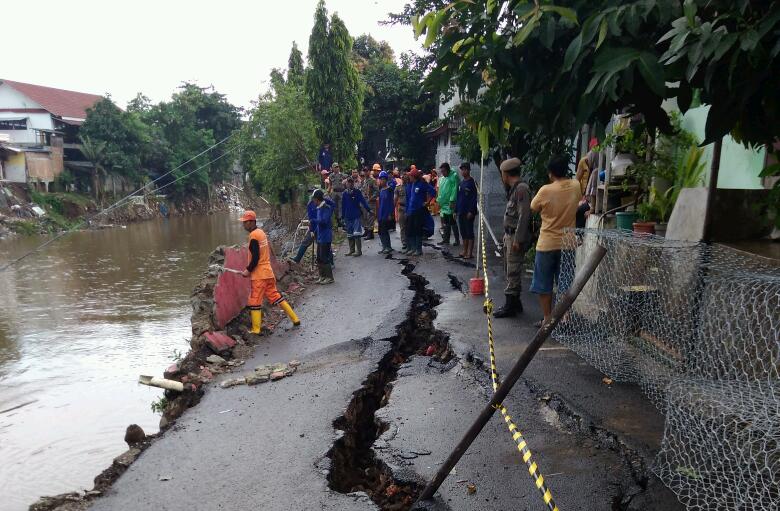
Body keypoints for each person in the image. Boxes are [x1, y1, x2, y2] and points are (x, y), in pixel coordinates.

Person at [530, 155, 581, 326]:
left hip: (547, 243)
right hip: (568, 242)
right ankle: (565, 317)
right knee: (565, 281)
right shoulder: (575, 186)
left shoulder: (546, 190)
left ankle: (547, 319)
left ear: (551, 173)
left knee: (544, 282)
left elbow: (533, 207)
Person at [238, 210, 300, 333]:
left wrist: (247, 271)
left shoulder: (254, 236)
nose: (243, 225)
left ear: (251, 222)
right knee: (276, 296)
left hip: (259, 275)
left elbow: (255, 258)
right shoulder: (261, 233)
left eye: (245, 222)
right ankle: (295, 318)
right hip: (268, 273)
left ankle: (256, 329)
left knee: (255, 301)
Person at [492, 158, 532, 318]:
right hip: (510, 234)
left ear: (506, 174)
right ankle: (516, 303)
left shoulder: (521, 189)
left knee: (513, 270)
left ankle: (510, 305)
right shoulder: (515, 189)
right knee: (509, 268)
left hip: (516, 235)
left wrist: (518, 239)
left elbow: (524, 216)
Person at [289, 191, 335, 264]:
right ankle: (297, 258)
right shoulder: (310, 205)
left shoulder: (325, 203)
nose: (313, 200)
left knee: (325, 246)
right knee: (306, 242)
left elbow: (332, 205)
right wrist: (311, 230)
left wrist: (328, 215)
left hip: (323, 228)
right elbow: (310, 219)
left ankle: (330, 263)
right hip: (314, 227)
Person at [404, 167, 436, 256]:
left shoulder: (422, 184)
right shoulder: (412, 184)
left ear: (414, 177)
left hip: (419, 211)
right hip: (411, 210)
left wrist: (427, 202)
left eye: (410, 176)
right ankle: (413, 248)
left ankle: (418, 249)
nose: (409, 177)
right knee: (410, 230)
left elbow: (433, 192)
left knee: (417, 231)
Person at [342, 177, 372, 257]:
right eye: (349, 182)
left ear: (353, 183)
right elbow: (343, 205)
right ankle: (351, 250)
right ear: (346, 184)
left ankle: (359, 251)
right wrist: (342, 216)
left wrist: (369, 210)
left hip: (356, 215)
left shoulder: (357, 192)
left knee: (357, 233)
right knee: (349, 234)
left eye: (351, 182)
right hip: (348, 216)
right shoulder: (344, 193)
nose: (350, 184)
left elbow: (363, 201)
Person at [310, 190, 335, 284]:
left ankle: (329, 277)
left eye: (314, 199)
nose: (313, 201)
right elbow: (319, 224)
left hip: (326, 237)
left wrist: (314, 221)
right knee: (319, 257)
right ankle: (322, 276)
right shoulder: (319, 208)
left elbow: (324, 221)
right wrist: (314, 231)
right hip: (320, 236)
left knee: (324, 257)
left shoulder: (326, 208)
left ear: (317, 199)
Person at [456, 162, 478, 259]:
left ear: (469, 170)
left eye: (465, 169)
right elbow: (458, 197)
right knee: (463, 232)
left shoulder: (472, 182)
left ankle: (470, 252)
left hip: (468, 212)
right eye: (462, 169)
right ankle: (464, 250)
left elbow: (474, 198)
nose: (463, 171)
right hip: (461, 210)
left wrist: (471, 211)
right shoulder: (461, 183)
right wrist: (455, 210)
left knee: (469, 232)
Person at [576, 138, 599, 228]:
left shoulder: (596, 171)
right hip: (584, 194)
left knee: (579, 211)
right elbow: (577, 179)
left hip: (591, 199)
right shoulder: (584, 161)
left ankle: (579, 235)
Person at [436, 162, 460, 247]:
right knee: (446, 223)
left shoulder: (454, 176)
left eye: (443, 171)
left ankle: (457, 240)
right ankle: (446, 240)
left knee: (452, 222)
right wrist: (438, 201)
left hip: (450, 204)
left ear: (448, 170)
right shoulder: (443, 178)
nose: (442, 173)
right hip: (444, 205)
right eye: (441, 171)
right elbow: (440, 191)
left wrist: (452, 201)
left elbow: (454, 190)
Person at [376, 171, 396, 254]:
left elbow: (391, 203)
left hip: (386, 214)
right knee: (380, 231)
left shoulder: (389, 190)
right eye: (381, 179)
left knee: (385, 231)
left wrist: (390, 213)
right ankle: (384, 246)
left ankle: (388, 247)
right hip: (380, 213)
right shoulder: (381, 190)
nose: (382, 181)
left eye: (384, 179)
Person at [361, 164, 379, 240]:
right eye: (364, 171)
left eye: (366, 171)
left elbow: (377, 191)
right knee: (364, 216)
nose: (365, 173)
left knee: (370, 217)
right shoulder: (364, 180)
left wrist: (372, 197)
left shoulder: (373, 180)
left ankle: (370, 233)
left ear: (369, 171)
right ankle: (366, 231)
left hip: (371, 201)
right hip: (364, 201)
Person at [395, 171, 409, 251]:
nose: (403, 178)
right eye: (402, 176)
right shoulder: (398, 187)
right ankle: (404, 243)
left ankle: (410, 242)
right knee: (402, 226)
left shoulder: (410, 186)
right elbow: (395, 198)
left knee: (409, 226)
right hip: (401, 208)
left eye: (405, 176)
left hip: (409, 208)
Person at [328, 163, 346, 228]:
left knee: (341, 206)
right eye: (335, 167)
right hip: (334, 192)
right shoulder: (330, 176)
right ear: (333, 168)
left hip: (341, 192)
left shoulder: (343, 175)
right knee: (335, 207)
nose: (337, 168)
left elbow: (348, 180)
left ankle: (341, 220)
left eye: (338, 167)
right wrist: (328, 191)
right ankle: (337, 221)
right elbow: (330, 184)